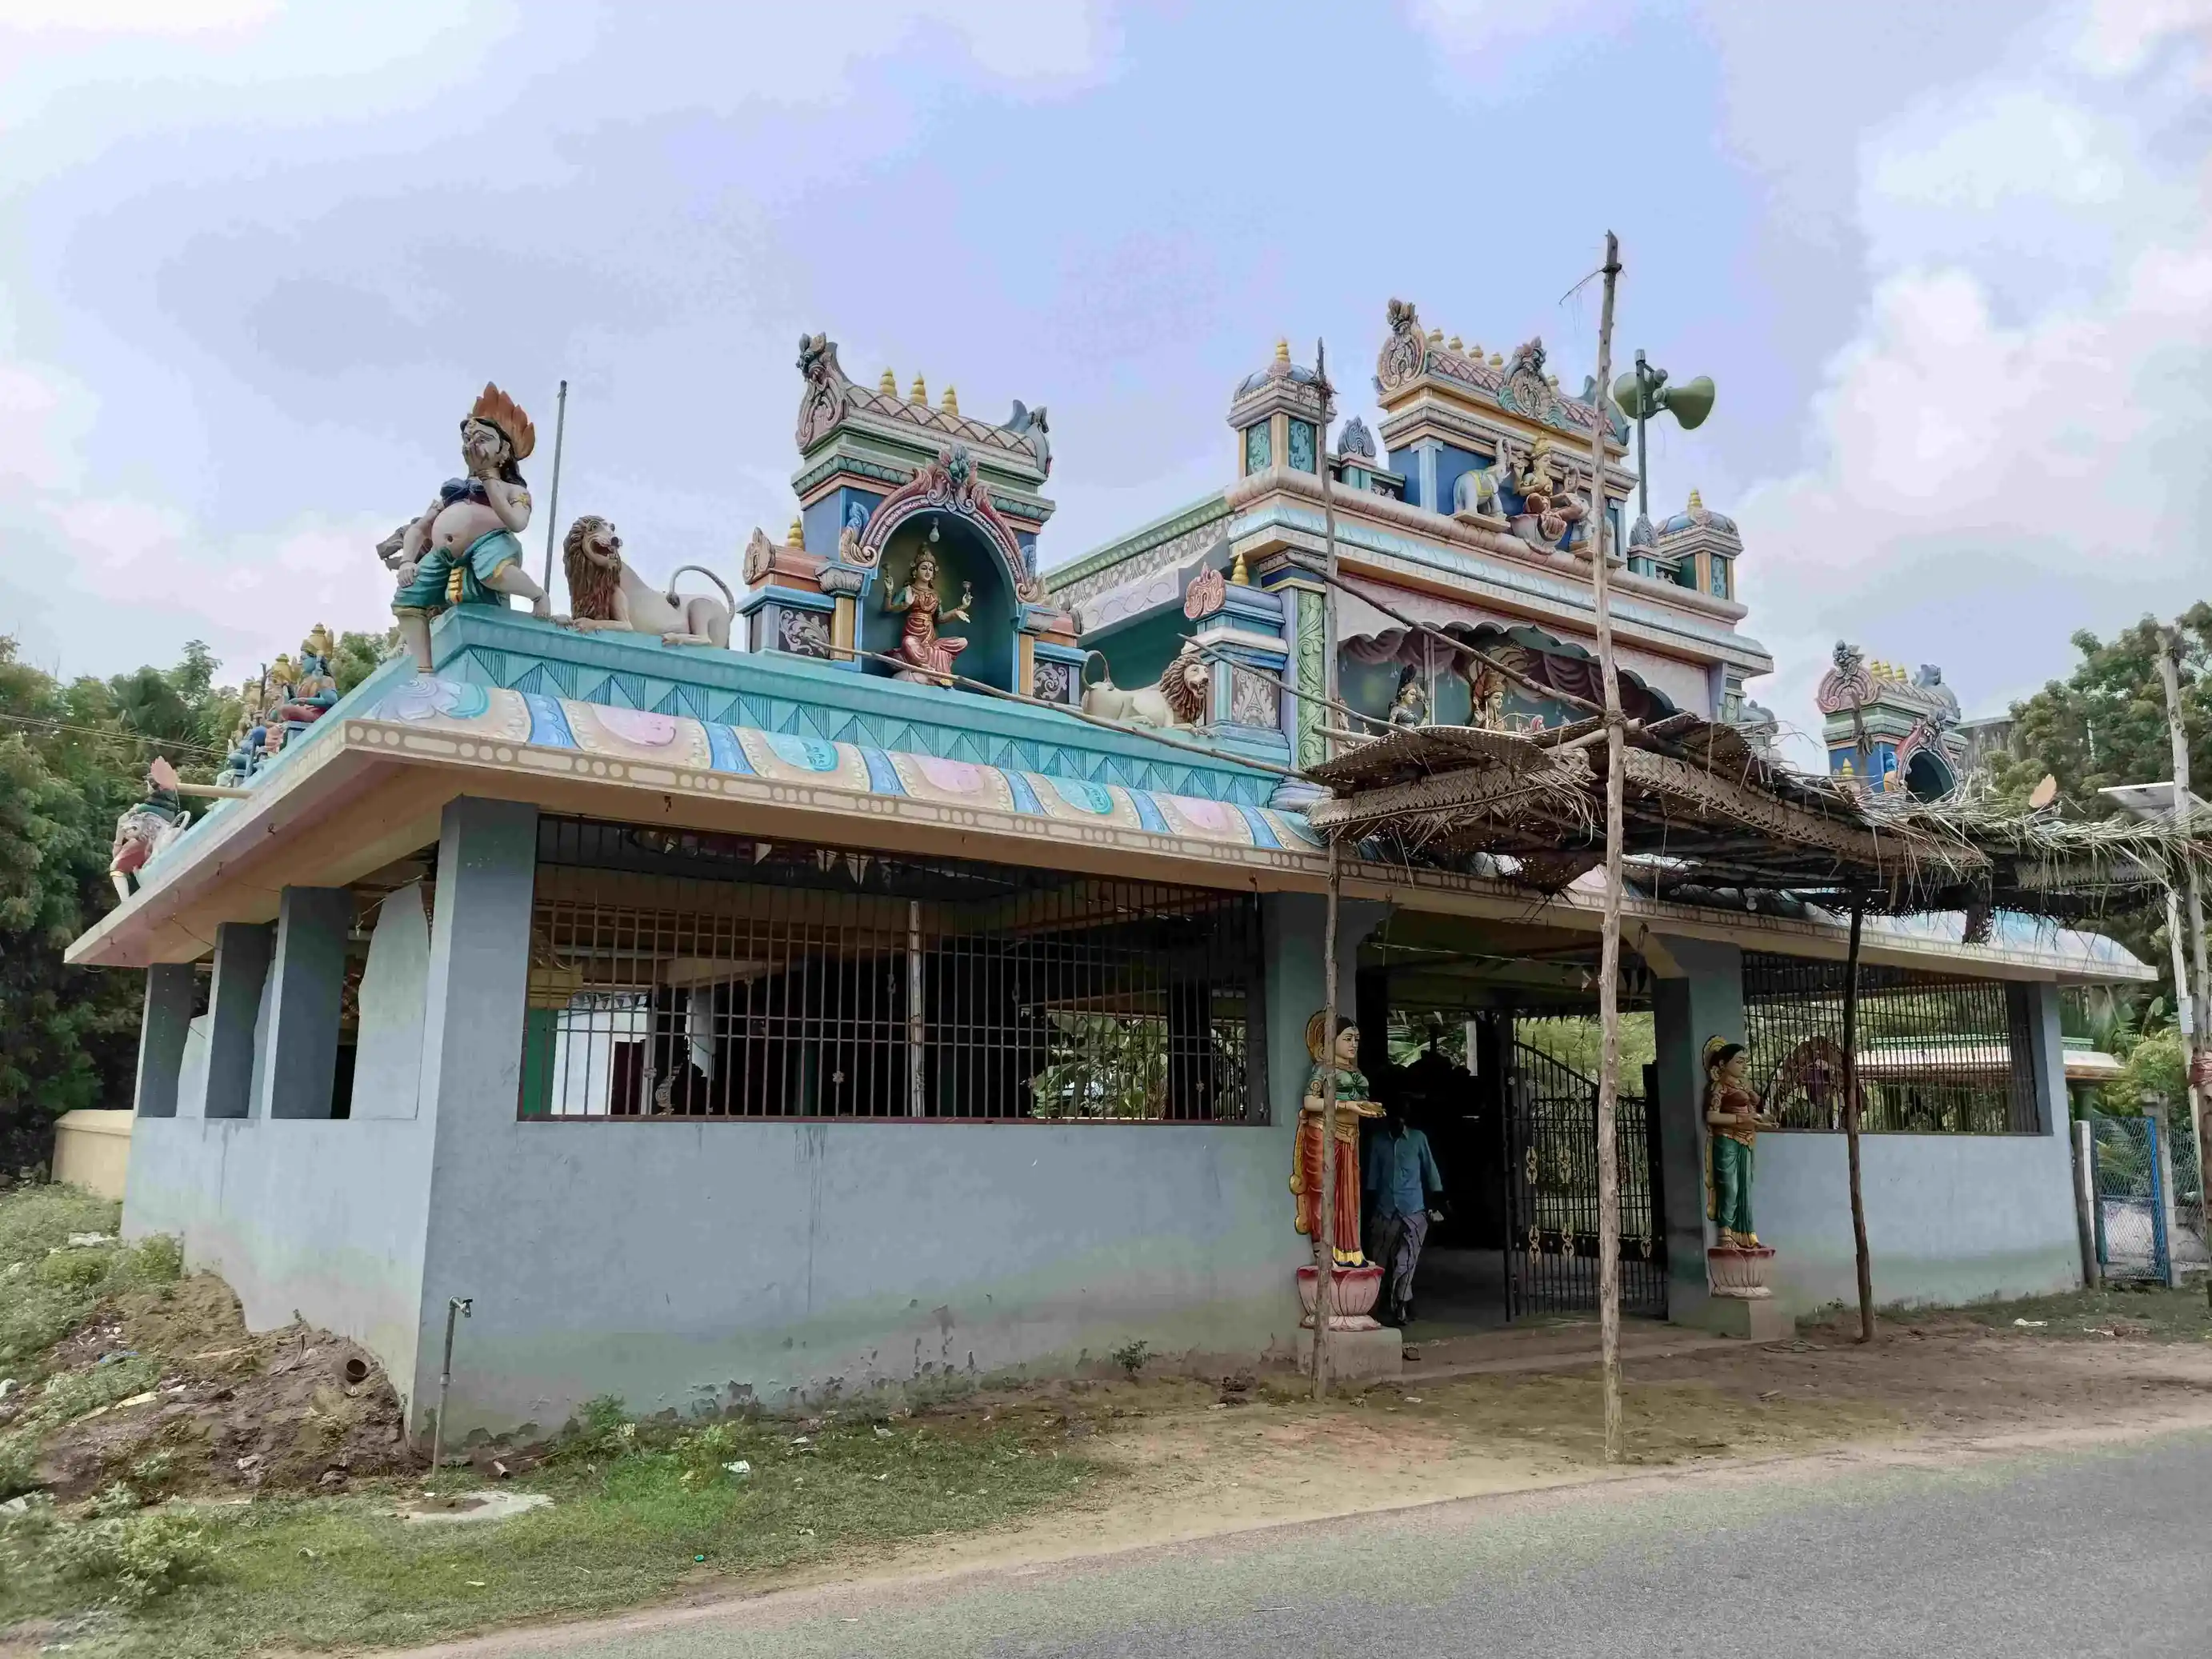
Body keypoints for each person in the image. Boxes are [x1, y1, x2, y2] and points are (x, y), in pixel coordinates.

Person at [1364, 1105, 1444, 1326]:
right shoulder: (1378, 1142)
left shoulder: (1418, 1139)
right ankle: (1374, 1304)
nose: (1396, 1123)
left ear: (1406, 1120)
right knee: (1378, 1260)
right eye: (1392, 1118)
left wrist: (1437, 1202)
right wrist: (1370, 1210)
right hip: (1385, 1210)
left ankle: (1402, 1304)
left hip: (1413, 1210)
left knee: (1407, 1260)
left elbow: (1431, 1170)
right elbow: (1372, 1177)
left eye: (1400, 1118)